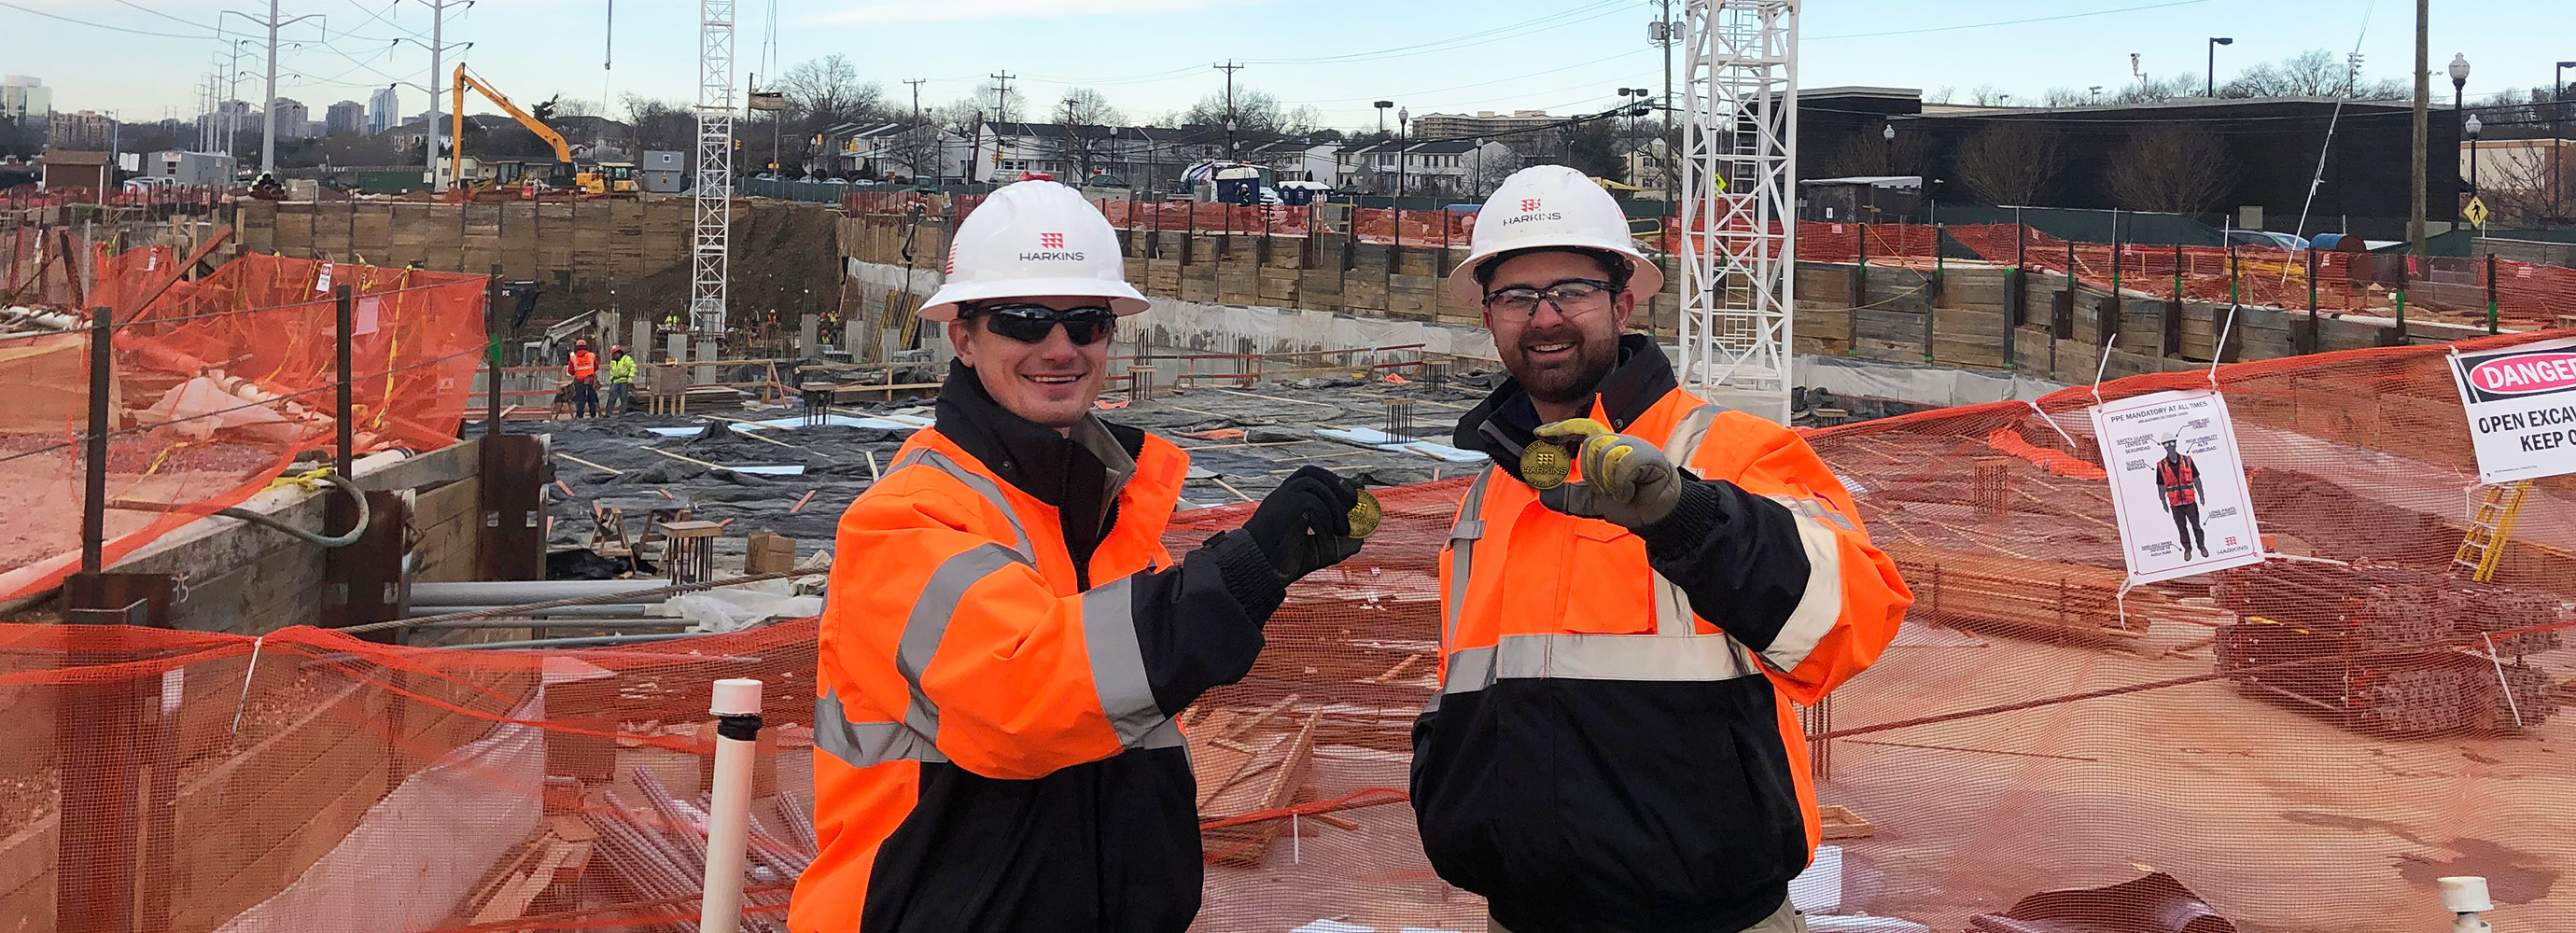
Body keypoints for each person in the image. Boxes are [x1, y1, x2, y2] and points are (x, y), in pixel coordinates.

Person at [789, 180, 1368, 933]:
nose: (1059, 349)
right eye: (1024, 321)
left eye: (1086, 322)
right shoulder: (906, 520)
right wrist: (1241, 574)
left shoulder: (1109, 520)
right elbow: (1023, 696)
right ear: (962, 336)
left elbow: (1118, 723)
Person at [1409, 165, 1914, 933]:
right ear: (1488, 315)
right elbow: (1469, 683)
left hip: (1710, 917)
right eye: (1516, 296)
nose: (1544, 318)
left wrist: (1689, 517)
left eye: (1571, 290)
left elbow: (1854, 621)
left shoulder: (1728, 452)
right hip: (1524, 915)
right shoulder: (1493, 492)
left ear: (1623, 300)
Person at [2156, 436, 2207, 558]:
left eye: (2172, 443)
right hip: (2175, 503)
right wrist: (2163, 501)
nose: (2170, 446)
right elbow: (2160, 485)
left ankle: (2201, 546)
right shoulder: (2161, 465)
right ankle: (2187, 549)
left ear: (2176, 443)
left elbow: (2196, 479)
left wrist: (2201, 494)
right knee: (2181, 527)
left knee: (2196, 525)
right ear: (2163, 446)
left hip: (2190, 501)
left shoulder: (2187, 460)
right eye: (2167, 445)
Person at [565, 338, 599, 419]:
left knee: (580, 401)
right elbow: (596, 367)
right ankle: (593, 417)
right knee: (592, 400)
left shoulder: (573, 358)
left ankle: (580, 418)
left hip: (580, 383)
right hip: (590, 382)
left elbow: (571, 371)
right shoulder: (591, 355)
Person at [604, 344, 637, 415]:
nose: (613, 356)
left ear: (618, 353)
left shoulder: (626, 359)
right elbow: (612, 371)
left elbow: (633, 367)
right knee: (611, 399)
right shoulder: (613, 362)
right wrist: (612, 380)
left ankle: (622, 415)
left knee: (623, 399)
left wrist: (630, 378)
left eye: (614, 354)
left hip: (624, 381)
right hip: (615, 381)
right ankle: (608, 414)